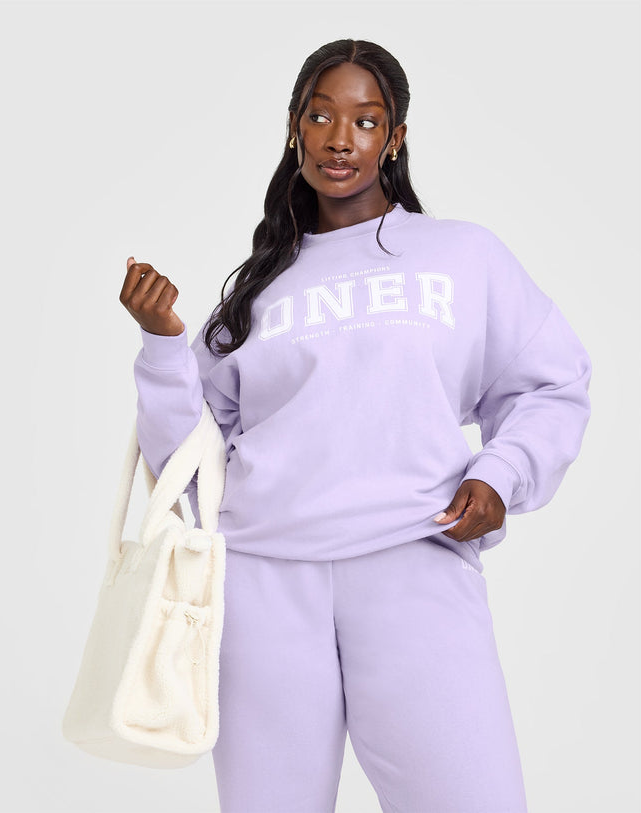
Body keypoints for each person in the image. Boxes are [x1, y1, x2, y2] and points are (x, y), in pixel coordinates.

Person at [119, 39, 591, 813]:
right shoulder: (258, 291)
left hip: (416, 556)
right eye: (321, 116)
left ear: (394, 137)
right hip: (265, 581)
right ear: (295, 128)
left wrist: (499, 475)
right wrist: (164, 342)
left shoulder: (462, 256)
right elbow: (187, 466)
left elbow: (552, 382)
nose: (341, 139)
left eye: (366, 121)